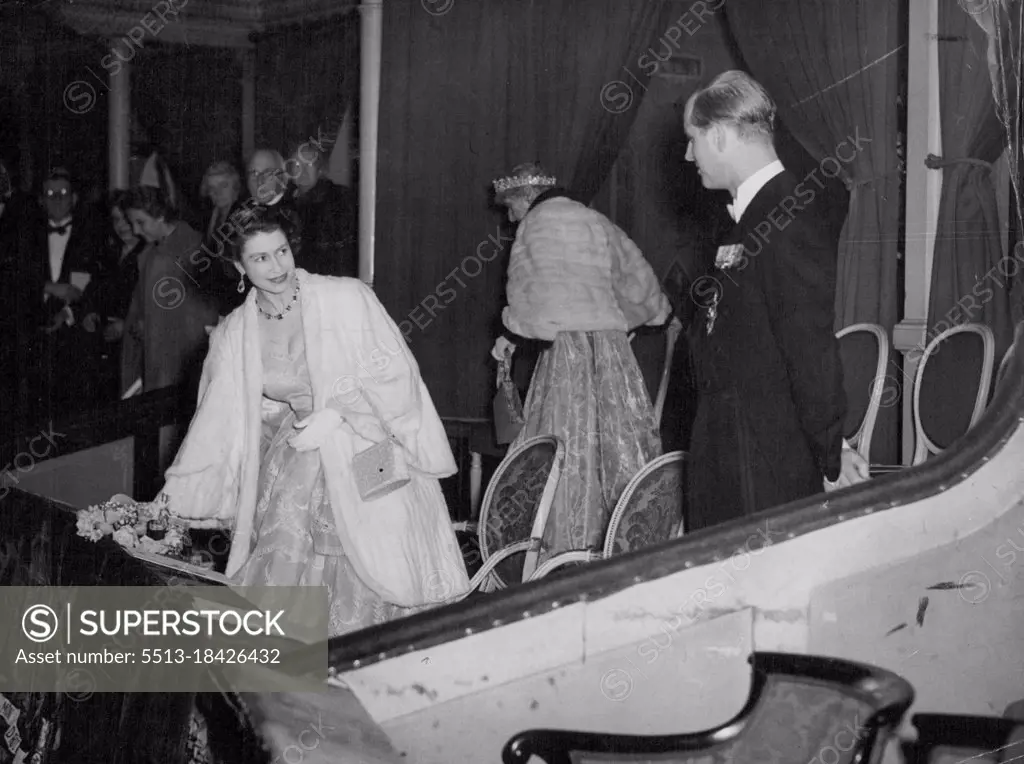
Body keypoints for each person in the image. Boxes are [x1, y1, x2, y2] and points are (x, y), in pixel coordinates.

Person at [154, 205, 469, 635]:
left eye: (281, 251)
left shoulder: (346, 298)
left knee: (381, 565)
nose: (277, 266)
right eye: (260, 258)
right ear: (238, 267)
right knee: (291, 576)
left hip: (369, 448)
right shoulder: (233, 335)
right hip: (298, 456)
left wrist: (339, 413)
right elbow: (216, 424)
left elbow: (395, 377)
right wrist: (175, 502)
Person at [681, 70, 869, 531]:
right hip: (733, 451)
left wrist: (830, 455)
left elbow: (810, 347)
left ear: (721, 135)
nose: (688, 154)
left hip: (762, 464)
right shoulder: (750, 216)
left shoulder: (788, 213)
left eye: (694, 139)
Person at [490, 162, 671, 559]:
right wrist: (628, 322)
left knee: (564, 441)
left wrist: (510, 334)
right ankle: (622, 542)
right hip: (611, 351)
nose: (509, 215)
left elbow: (529, 298)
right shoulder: (594, 219)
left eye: (510, 207)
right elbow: (639, 283)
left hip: (566, 354)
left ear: (524, 199)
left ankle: (562, 550)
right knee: (616, 441)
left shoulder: (535, 225)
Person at [121, 186, 219, 397]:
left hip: (182, 366)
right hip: (155, 363)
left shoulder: (194, 249)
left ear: (160, 216)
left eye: (140, 222)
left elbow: (204, 313)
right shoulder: (150, 254)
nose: (136, 231)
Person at [80, 190, 148, 398]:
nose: (122, 226)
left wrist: (125, 325)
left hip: (135, 347)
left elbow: (154, 304)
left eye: (127, 219)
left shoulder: (149, 253)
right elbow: (93, 288)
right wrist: (89, 312)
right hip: (104, 343)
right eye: (117, 219)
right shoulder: (108, 251)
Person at [287, 140, 357, 277]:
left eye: (309, 164)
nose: (303, 170)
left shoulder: (337, 198)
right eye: (297, 165)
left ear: (320, 169)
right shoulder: (285, 203)